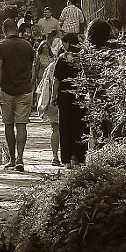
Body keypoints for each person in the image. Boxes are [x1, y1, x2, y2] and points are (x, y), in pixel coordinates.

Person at [0, 18, 38, 171]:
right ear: (16, 29)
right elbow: (32, 66)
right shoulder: (27, 45)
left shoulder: (0, 46)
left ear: (3, 29)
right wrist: (31, 84)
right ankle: (20, 159)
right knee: (22, 125)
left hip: (7, 90)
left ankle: (11, 160)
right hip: (24, 90)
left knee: (8, 124)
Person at [51, 32, 87, 167]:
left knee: (65, 126)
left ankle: (66, 159)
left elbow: (57, 80)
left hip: (65, 95)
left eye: (64, 44)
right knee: (80, 125)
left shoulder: (63, 58)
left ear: (68, 43)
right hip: (80, 94)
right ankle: (78, 157)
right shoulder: (83, 57)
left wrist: (53, 96)